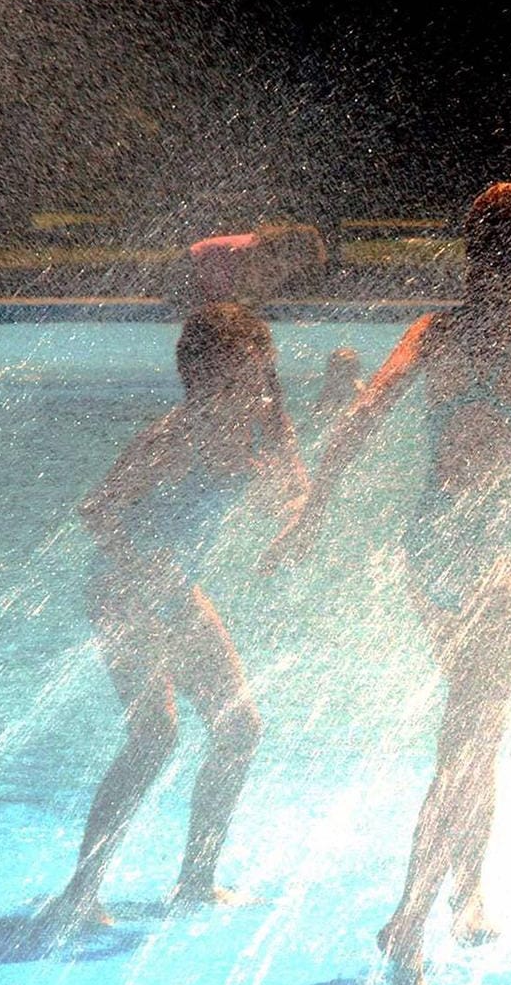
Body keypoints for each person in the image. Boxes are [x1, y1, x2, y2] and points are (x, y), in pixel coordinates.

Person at [261, 183, 511, 985]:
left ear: (472, 256)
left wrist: (310, 513)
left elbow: (361, 418)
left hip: (430, 543)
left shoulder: (433, 333)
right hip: (501, 550)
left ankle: (468, 895)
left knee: (477, 726)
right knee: (468, 736)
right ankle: (409, 919)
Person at [40, 228, 313, 933]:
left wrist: (291, 515)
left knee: (240, 727)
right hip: (125, 593)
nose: (261, 387)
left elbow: (295, 479)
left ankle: (197, 878)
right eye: (251, 374)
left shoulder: (252, 428)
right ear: (209, 379)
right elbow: (97, 512)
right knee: (156, 735)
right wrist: (150, 575)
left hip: (174, 590)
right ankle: (80, 892)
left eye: (264, 374)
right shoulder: (174, 437)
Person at [312, 346, 365, 422]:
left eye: (352, 364)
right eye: (347, 363)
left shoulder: (359, 387)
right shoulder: (330, 388)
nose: (350, 367)